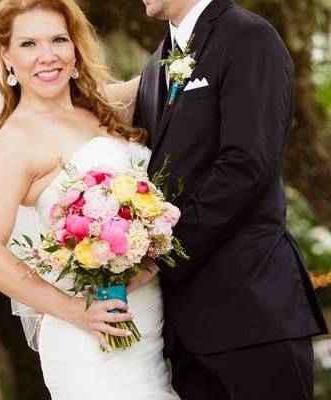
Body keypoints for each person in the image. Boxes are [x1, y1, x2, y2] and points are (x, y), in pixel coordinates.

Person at [0, 0, 178, 398]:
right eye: (28, 44)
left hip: (150, 327)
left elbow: (177, 65)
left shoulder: (105, 108)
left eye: (58, 39)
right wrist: (72, 309)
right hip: (89, 345)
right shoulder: (14, 142)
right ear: (5, 56)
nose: (47, 56)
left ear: (75, 47)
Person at [134, 0, 329, 398]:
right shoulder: (154, 67)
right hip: (184, 338)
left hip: (253, 312)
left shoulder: (249, 38)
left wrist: (162, 254)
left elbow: (247, 166)